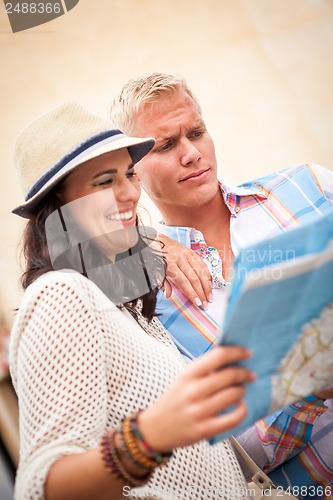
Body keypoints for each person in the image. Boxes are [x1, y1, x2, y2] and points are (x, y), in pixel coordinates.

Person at [9, 101, 257, 500]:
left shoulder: (126, 305)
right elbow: (41, 488)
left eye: (129, 174)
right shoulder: (61, 295)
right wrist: (149, 436)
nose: (129, 193)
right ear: (58, 206)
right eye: (104, 181)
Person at [110, 73, 333, 498]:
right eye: (166, 145)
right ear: (132, 172)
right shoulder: (148, 309)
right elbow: (230, 464)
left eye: (196, 133)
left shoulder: (309, 186)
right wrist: (310, 389)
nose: (192, 154)